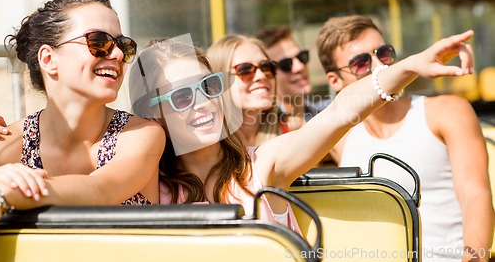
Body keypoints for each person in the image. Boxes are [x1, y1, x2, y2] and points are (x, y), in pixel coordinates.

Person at [128, 28, 474, 234]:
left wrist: (409, 66)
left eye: (208, 86)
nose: (201, 102)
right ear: (153, 114)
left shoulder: (261, 166)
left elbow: (339, 112)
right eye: (183, 96)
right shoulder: (146, 187)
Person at [316, 15, 494, 262]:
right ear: (334, 80)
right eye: (361, 63)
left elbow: (475, 195)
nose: (380, 66)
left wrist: (474, 258)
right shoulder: (338, 136)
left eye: (384, 53)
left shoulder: (446, 111)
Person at [0, 0, 165, 225]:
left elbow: (100, 190)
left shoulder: (141, 134)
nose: (117, 55)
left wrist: (8, 189)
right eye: (98, 42)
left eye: (123, 46)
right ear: (48, 59)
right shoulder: (6, 144)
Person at [206, 34, 281, 147]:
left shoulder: (292, 133)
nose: (261, 75)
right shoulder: (206, 150)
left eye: (266, 66)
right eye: (245, 70)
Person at [256, 26, 328, 133]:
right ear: (267, 75)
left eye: (301, 57)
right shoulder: (260, 131)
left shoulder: (327, 113)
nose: (299, 67)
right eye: (286, 64)